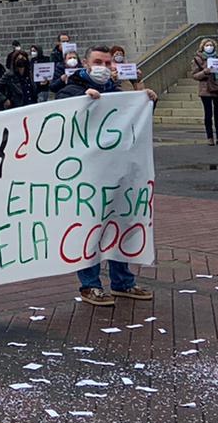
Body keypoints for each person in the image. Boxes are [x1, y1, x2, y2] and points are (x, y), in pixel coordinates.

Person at [54, 47, 157, 307]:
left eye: (107, 62)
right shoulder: (71, 90)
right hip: (88, 176)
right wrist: (82, 102)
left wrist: (143, 95)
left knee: (120, 224)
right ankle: (90, 284)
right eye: (97, 61)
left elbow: (137, 120)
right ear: (87, 64)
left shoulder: (117, 93)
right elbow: (62, 119)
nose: (103, 66)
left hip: (117, 173)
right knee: (90, 228)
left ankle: (123, 282)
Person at [190, 38, 218, 146]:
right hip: (206, 89)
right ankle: (210, 137)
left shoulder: (217, 58)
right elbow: (194, 75)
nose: (209, 47)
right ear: (202, 47)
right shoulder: (197, 60)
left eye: (211, 45)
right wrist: (205, 72)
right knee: (208, 114)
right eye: (207, 45)